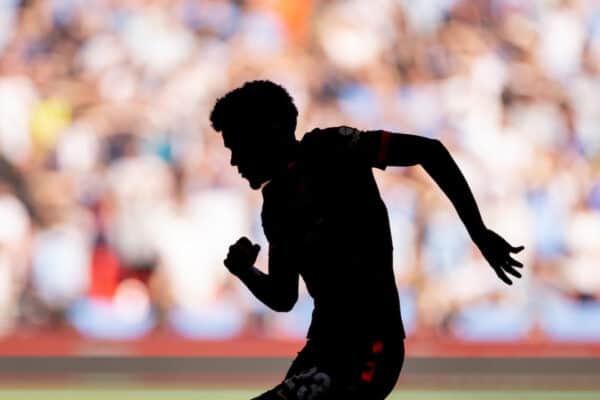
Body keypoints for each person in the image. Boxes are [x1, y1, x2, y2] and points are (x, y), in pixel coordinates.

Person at [210, 80, 524, 400]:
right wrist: (244, 271)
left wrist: (478, 233)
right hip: (322, 350)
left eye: (236, 145)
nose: (234, 161)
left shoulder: (331, 147)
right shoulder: (275, 202)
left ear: (267, 131)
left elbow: (428, 151)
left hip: (369, 347)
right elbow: (284, 296)